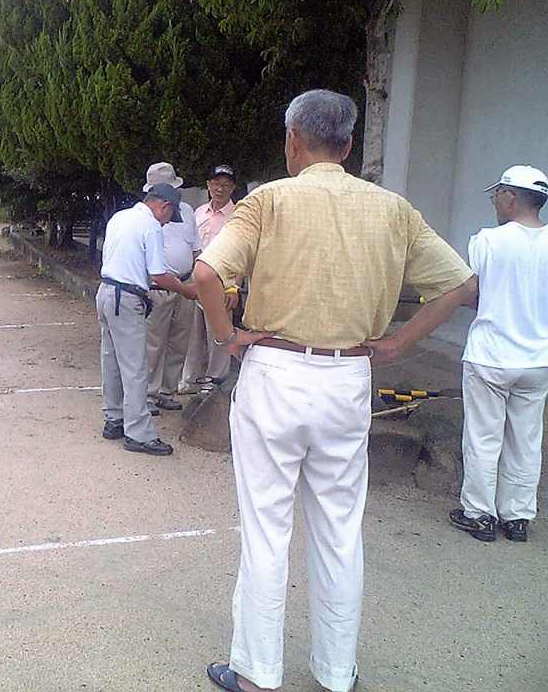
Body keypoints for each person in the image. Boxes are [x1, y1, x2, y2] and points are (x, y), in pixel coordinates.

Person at [195, 89, 476, 692]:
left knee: (267, 529)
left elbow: (206, 273)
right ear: (348, 145)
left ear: (292, 139)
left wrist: (227, 337)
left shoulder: (268, 200)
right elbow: (461, 285)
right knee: (340, 531)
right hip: (348, 375)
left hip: (275, 371)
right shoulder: (393, 209)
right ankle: (335, 672)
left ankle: (256, 672)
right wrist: (398, 343)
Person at [450, 164, 548, 544]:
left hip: (490, 355)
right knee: (526, 440)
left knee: (483, 437)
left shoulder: (487, 241)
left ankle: (479, 514)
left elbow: (470, 292)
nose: (494, 201)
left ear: (510, 197)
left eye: (496, 195)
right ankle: (517, 517)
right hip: (538, 360)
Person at [98, 180, 199, 457]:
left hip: (107, 291)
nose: (167, 223)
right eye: (170, 216)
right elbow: (158, 274)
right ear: (164, 206)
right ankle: (138, 433)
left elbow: (127, 262)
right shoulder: (151, 226)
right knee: (135, 366)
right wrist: (186, 290)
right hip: (126, 297)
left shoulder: (121, 217)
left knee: (111, 361)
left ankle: (114, 419)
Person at [142, 162, 201, 414]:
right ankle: (148, 392)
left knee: (179, 340)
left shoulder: (186, 210)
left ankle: (167, 390)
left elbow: (196, 247)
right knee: (154, 341)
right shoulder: (146, 217)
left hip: (185, 282)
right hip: (159, 285)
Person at [180, 165, 239, 394]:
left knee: (218, 334)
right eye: (216, 184)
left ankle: (215, 381)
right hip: (195, 281)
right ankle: (190, 379)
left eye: (225, 185)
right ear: (208, 185)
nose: (220, 189)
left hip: (221, 283)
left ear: (233, 188)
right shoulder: (198, 213)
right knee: (192, 334)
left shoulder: (238, 216)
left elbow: (241, 254)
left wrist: (234, 287)